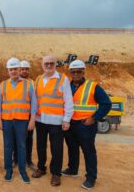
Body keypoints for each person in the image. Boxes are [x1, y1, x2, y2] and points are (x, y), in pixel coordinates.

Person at [62, 60, 111, 190]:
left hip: (85, 125)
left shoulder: (93, 86)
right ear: (70, 72)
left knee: (88, 151)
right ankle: (72, 169)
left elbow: (106, 104)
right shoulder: (66, 85)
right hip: (70, 124)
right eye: (73, 71)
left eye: (79, 71)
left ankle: (91, 178)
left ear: (84, 72)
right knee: (72, 148)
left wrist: (94, 118)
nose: (76, 74)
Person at [32, 55, 74, 187]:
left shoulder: (63, 79)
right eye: (46, 64)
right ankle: (41, 168)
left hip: (56, 121)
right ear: (42, 65)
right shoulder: (38, 79)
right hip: (40, 120)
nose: (48, 66)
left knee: (56, 148)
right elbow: (35, 100)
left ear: (56, 64)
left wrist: (67, 119)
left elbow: (68, 101)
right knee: (40, 146)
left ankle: (56, 173)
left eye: (51, 63)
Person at [0, 58, 36, 184]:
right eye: (11, 69)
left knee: (22, 146)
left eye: (15, 69)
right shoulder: (2, 85)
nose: (13, 71)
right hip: (7, 121)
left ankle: (23, 171)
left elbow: (34, 104)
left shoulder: (28, 84)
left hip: (22, 121)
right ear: (8, 70)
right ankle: (9, 171)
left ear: (19, 69)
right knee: (8, 146)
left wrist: (32, 120)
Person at [19, 60, 36, 171]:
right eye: (22, 69)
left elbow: (35, 101)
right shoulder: (14, 82)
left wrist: (33, 118)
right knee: (17, 138)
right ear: (19, 70)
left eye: (26, 69)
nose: (24, 71)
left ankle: (28, 160)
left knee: (28, 139)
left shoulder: (33, 83)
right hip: (18, 115)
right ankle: (16, 159)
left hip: (29, 116)